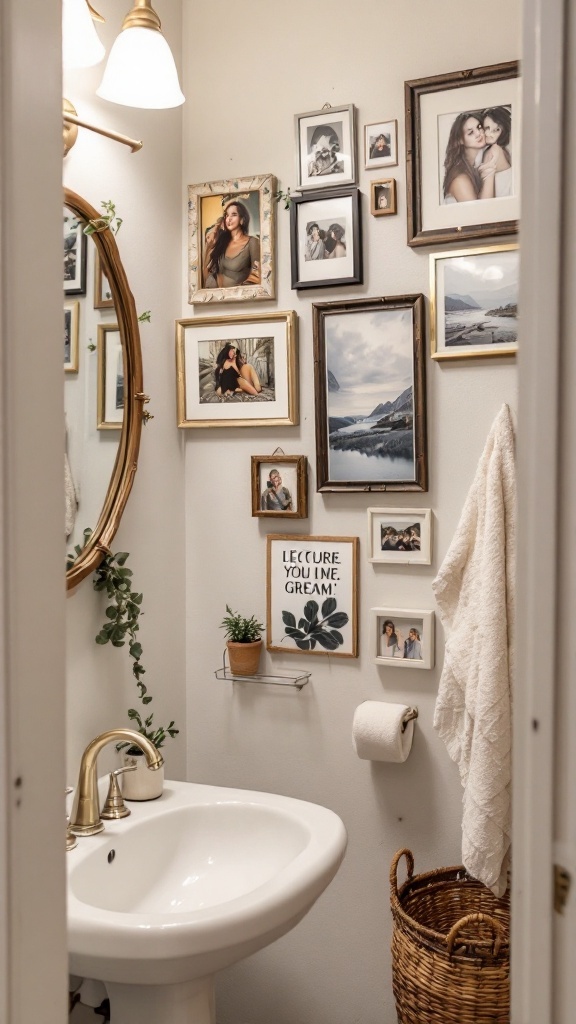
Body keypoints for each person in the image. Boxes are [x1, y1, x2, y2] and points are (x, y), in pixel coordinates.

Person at [442, 112, 497, 204]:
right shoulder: (460, 178)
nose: (478, 133)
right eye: (470, 132)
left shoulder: (474, 166)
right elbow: (482, 215)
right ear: (460, 140)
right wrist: (489, 175)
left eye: (479, 127)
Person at [206, 200, 260, 288]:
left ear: (242, 219)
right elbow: (206, 270)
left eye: (234, 215)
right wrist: (210, 244)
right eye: (227, 215)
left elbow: (257, 275)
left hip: (237, 296)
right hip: (214, 292)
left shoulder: (252, 242)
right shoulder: (222, 241)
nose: (229, 219)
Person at [481, 106, 512, 197]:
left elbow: (487, 198)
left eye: (496, 130)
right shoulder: (502, 150)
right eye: (487, 128)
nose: (489, 134)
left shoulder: (493, 151)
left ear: (503, 132)